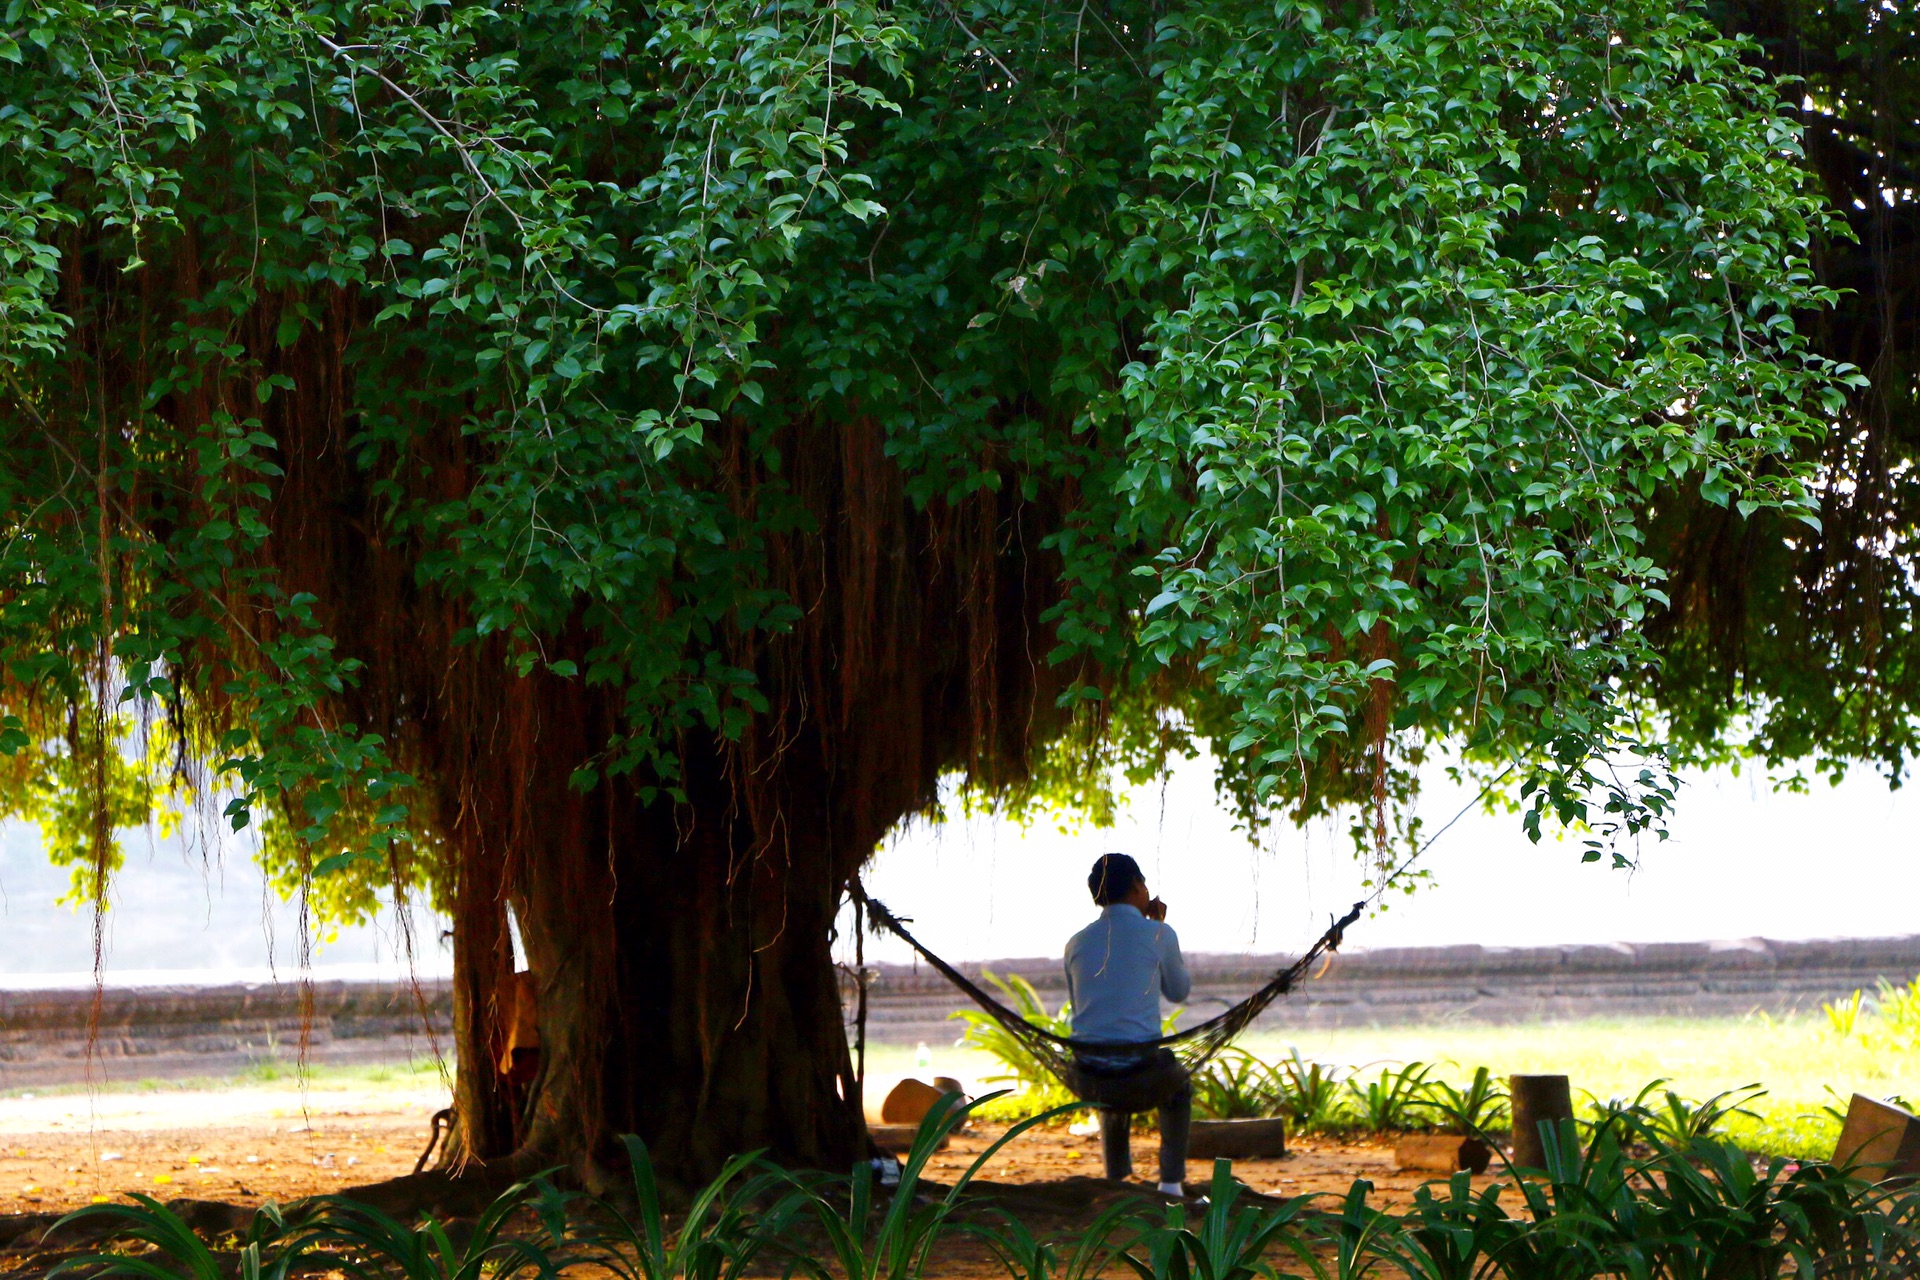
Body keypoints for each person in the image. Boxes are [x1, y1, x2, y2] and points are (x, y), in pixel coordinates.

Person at [1063, 853, 1192, 1196]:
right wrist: (1161, 928)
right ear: (1137, 886)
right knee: (1178, 1087)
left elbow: (1080, 1007)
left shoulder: (1075, 942)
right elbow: (1179, 992)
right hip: (1141, 1073)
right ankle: (1171, 1182)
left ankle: (1117, 1177)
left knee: (1108, 1073)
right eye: (1144, 883)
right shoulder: (1158, 934)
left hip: (1088, 1075)